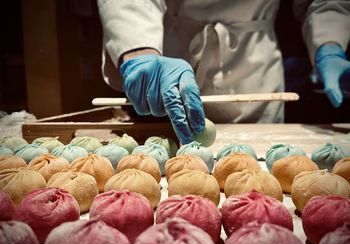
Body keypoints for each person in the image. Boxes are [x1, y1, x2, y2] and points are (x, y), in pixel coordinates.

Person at [97, 0, 350, 144]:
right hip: (167, 59)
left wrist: (329, 43)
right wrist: (139, 55)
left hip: (253, 70)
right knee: (161, 148)